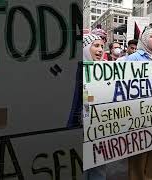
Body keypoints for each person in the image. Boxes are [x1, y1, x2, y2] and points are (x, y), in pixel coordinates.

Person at [125, 26, 152, 180]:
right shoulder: (134, 58)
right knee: (138, 150)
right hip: (138, 112)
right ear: (145, 39)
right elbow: (125, 86)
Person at [68, 33, 106, 180]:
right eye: (96, 45)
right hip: (83, 124)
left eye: (102, 46)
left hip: (101, 125)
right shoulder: (79, 69)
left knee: (99, 164)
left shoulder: (105, 70)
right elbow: (79, 98)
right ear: (84, 48)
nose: (100, 49)